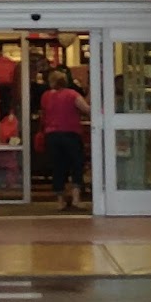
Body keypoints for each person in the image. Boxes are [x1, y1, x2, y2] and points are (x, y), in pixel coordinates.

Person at [40, 66, 90, 211]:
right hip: (71, 134)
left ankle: (60, 201)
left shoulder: (46, 96)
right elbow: (86, 109)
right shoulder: (72, 94)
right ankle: (76, 199)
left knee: (58, 167)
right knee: (76, 165)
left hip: (52, 135)